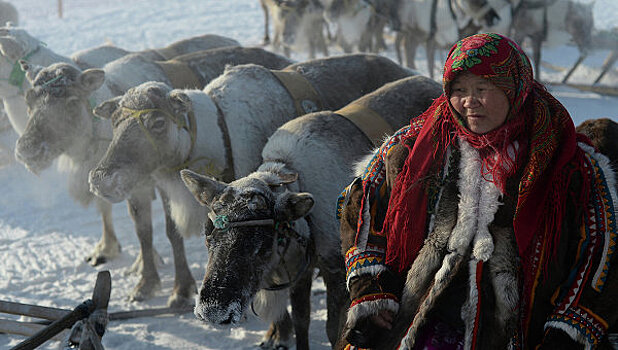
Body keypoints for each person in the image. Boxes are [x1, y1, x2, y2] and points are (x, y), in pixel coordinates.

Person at [336, 33, 618, 350]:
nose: (470, 101)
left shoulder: (568, 162)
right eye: (459, 90)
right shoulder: (415, 146)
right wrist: (371, 287)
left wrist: (567, 333)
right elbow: (360, 206)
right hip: (417, 322)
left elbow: (602, 250)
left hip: (521, 332)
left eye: (483, 89)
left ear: (514, 89)